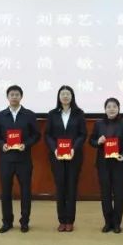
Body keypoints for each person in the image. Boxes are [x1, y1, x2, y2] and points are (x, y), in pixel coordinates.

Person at [0, 84, 41, 234]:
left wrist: (26, 144)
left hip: (24, 159)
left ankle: (24, 221)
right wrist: (2, 144)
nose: (14, 97)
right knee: (5, 192)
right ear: (7, 97)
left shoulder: (29, 115)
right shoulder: (1, 115)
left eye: (17, 94)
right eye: (11, 94)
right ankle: (7, 222)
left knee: (26, 191)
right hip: (6, 160)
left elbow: (36, 135)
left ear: (21, 97)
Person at [45, 84, 87, 232]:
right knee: (60, 187)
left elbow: (82, 134)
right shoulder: (52, 114)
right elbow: (48, 135)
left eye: (68, 94)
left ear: (72, 96)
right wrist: (55, 149)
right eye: (62, 94)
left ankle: (70, 220)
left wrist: (74, 148)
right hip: (57, 156)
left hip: (74, 156)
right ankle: (62, 220)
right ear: (59, 97)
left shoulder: (79, 113)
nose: (65, 96)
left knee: (71, 187)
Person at [90, 97, 123, 233]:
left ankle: (117, 223)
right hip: (103, 164)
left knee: (119, 194)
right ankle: (107, 222)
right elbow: (91, 141)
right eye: (109, 107)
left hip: (119, 163)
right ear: (105, 109)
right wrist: (98, 141)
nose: (112, 109)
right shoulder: (99, 124)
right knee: (105, 194)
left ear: (119, 109)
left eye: (114, 106)